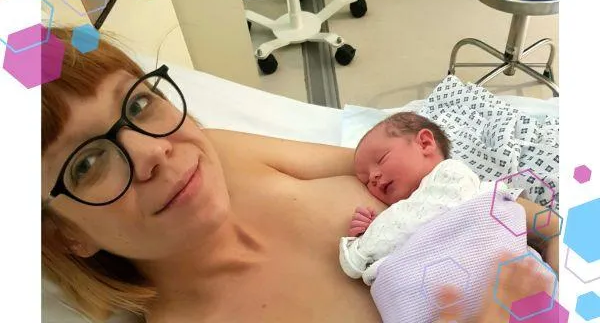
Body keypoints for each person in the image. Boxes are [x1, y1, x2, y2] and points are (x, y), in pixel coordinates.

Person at [41, 27, 553, 323]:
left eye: (138, 102)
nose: (153, 150)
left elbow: (438, 182)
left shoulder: (220, 152)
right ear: (63, 235)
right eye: (86, 163)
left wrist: (556, 237)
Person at [338, 112, 558, 319]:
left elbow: (549, 226)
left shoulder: (472, 186)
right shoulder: (391, 221)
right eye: (366, 181)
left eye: (382, 159)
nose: (374, 177)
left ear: (425, 143)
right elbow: (388, 244)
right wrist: (368, 232)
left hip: (512, 291)